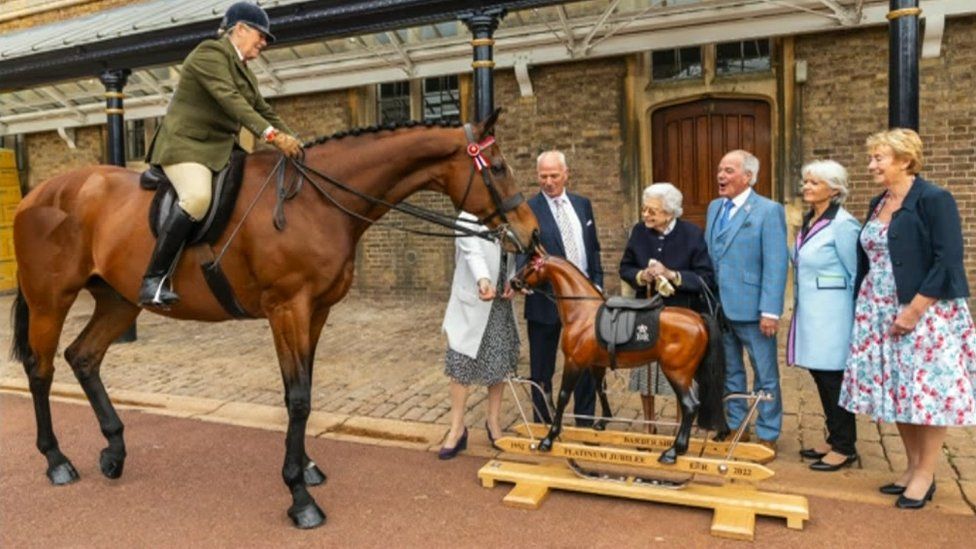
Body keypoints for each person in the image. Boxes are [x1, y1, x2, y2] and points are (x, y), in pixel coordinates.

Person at [839, 128, 976, 508]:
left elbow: (947, 259)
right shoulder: (877, 202)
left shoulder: (935, 199)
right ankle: (912, 466)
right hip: (878, 311)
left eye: (878, 158)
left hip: (924, 311)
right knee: (898, 390)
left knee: (926, 394)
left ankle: (926, 473)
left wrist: (913, 311)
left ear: (904, 159)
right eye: (872, 158)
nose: (871, 166)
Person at [140, 1, 303, 307]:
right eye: (261, 35)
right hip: (185, 145)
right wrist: (271, 136)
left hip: (218, 147)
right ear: (239, 29)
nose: (264, 43)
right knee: (197, 198)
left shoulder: (246, 73)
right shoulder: (210, 53)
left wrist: (296, 141)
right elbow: (231, 101)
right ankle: (154, 279)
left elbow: (263, 110)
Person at [705, 150, 787, 453]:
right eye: (719, 170)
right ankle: (738, 425)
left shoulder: (768, 210)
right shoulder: (715, 208)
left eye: (728, 171)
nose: (721, 176)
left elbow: (776, 263)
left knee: (765, 374)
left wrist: (770, 311)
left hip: (754, 310)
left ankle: (768, 432)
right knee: (729, 371)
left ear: (747, 177)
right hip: (720, 308)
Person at [619, 183, 714, 432]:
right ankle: (649, 424)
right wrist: (641, 276)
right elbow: (625, 268)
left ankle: (679, 423)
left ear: (670, 213)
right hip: (646, 312)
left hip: (680, 316)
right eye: (644, 209)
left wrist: (672, 275)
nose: (646, 215)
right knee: (645, 370)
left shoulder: (692, 234)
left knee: (679, 373)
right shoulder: (639, 232)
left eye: (653, 211)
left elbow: (705, 278)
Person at [787, 160, 861, 471]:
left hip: (834, 315)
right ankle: (834, 437)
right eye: (805, 182)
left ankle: (845, 446)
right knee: (821, 374)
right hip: (813, 314)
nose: (806, 187)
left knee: (834, 378)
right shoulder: (810, 220)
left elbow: (856, 272)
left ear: (834, 189)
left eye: (814, 183)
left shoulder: (843, 225)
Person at [523, 150, 603, 426]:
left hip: (584, 304)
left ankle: (585, 423)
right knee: (542, 369)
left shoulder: (583, 204)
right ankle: (543, 424)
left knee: (585, 366)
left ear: (566, 174)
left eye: (554, 175)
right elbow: (524, 255)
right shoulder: (528, 209)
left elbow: (593, 249)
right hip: (545, 302)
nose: (548, 181)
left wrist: (598, 285)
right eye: (543, 176)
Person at [438, 211, 520, 460]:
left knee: (499, 363)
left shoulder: (509, 217)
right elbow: (473, 252)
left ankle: (493, 422)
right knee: (460, 364)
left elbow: (514, 254)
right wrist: (484, 280)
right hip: (475, 298)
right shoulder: (467, 217)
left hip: (499, 303)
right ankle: (457, 428)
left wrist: (513, 280)